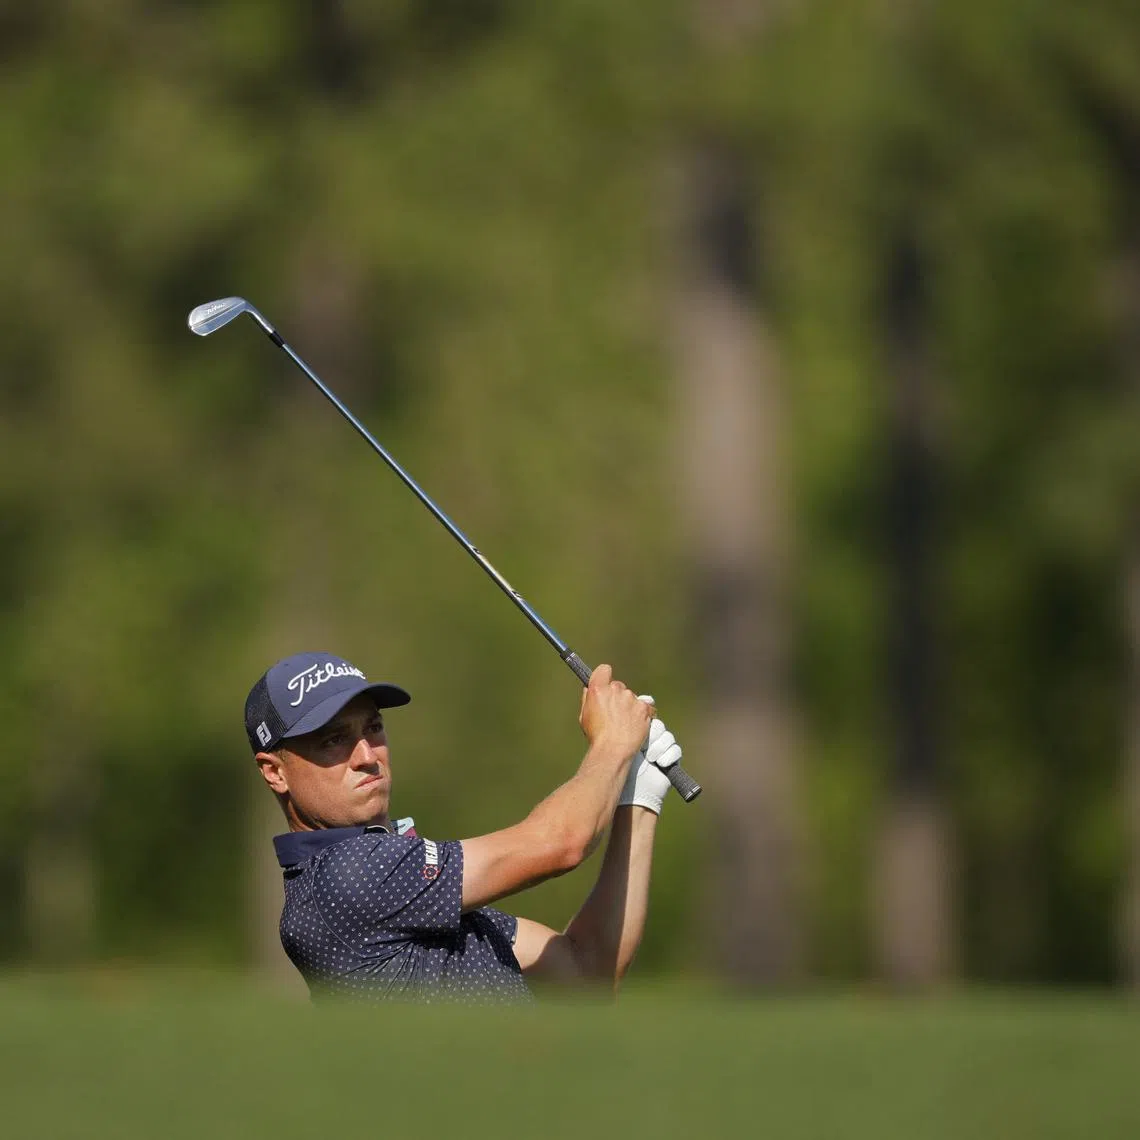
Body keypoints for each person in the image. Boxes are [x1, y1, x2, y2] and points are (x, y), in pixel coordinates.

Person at [246, 651, 683, 1004]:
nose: (366, 755)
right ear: (275, 773)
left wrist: (636, 799)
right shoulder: (347, 877)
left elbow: (587, 972)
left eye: (373, 728)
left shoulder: (416, 889)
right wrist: (611, 746)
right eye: (333, 740)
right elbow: (561, 843)